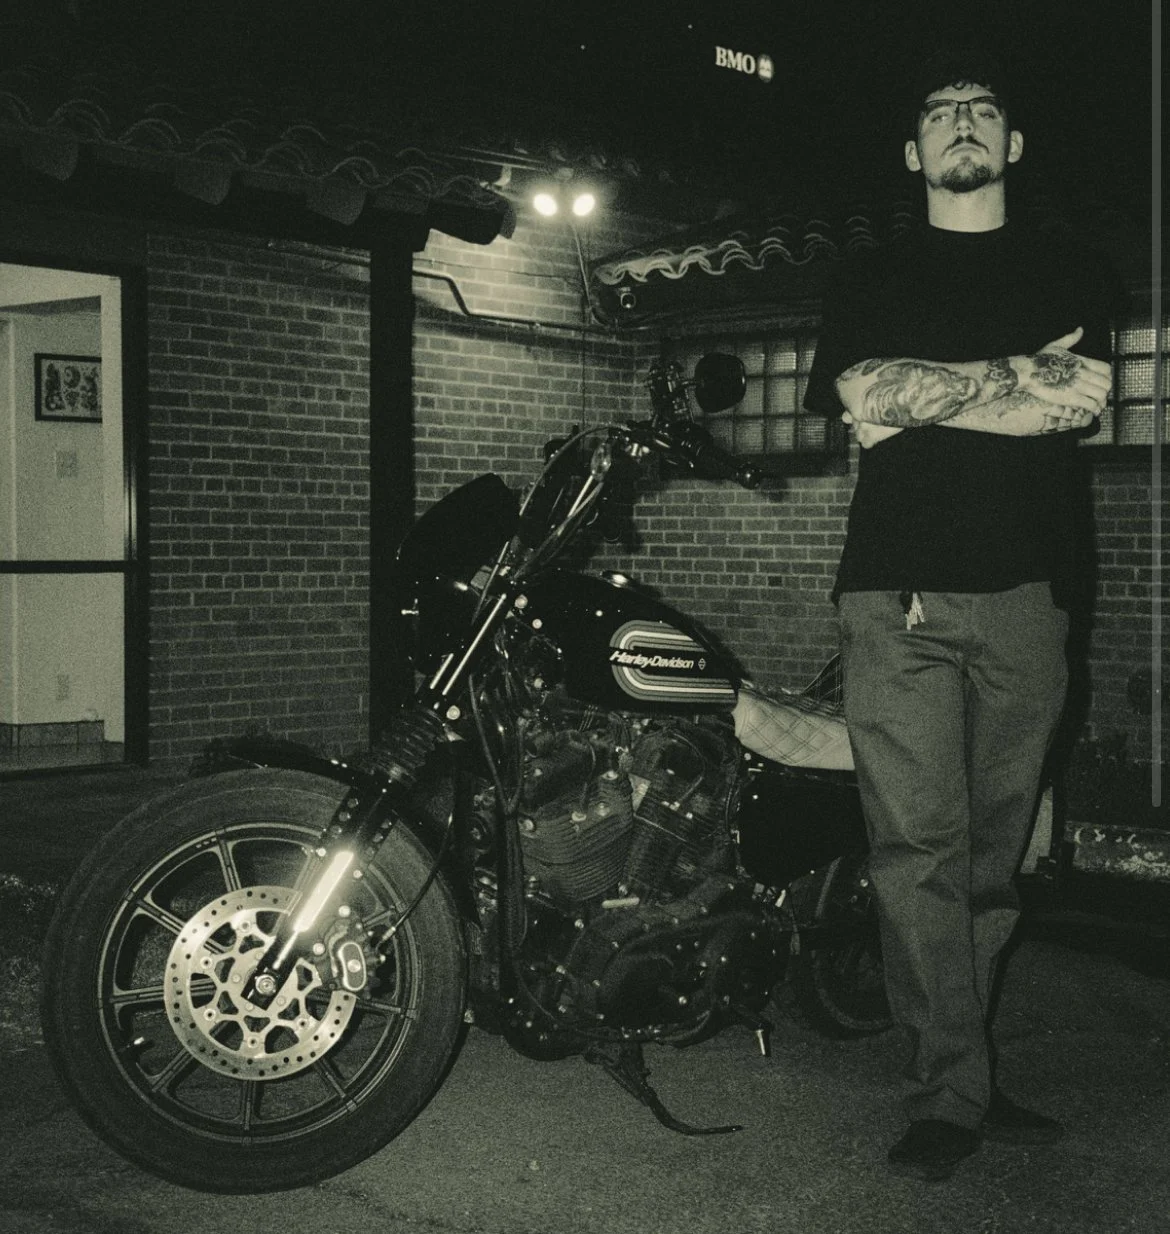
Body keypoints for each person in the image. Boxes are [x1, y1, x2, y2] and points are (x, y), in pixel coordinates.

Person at [803, 47, 1117, 1182]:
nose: (964, 123)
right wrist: (1014, 378)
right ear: (914, 152)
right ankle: (950, 1090)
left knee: (990, 858)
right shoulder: (868, 275)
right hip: (896, 594)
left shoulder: (1070, 263)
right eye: (941, 114)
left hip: (1032, 593)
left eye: (983, 110)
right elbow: (859, 398)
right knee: (917, 850)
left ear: (1012, 145)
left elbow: (1079, 400)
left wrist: (927, 393)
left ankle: (963, 1068)